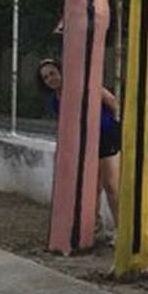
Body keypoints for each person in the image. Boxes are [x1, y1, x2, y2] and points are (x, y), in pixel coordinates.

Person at [34, 58, 121, 237]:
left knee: (111, 185)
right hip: (84, 143)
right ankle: (94, 226)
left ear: (61, 71)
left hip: (105, 137)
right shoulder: (55, 100)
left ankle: (121, 230)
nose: (51, 79)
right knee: (91, 187)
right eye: (46, 78)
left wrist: (111, 124)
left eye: (53, 73)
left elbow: (112, 101)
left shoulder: (85, 84)